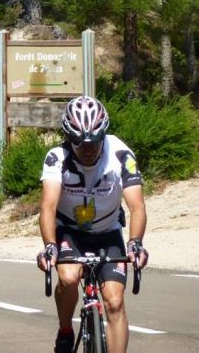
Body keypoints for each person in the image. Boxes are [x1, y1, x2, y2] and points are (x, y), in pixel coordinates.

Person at [36, 96, 149, 353]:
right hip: (70, 233)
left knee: (115, 301)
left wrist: (135, 243)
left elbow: (137, 206)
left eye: (95, 142)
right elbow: (48, 207)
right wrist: (50, 246)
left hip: (108, 233)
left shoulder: (121, 154)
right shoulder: (56, 158)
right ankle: (65, 329)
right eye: (80, 143)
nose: (88, 149)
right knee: (67, 277)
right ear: (68, 138)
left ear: (103, 136)